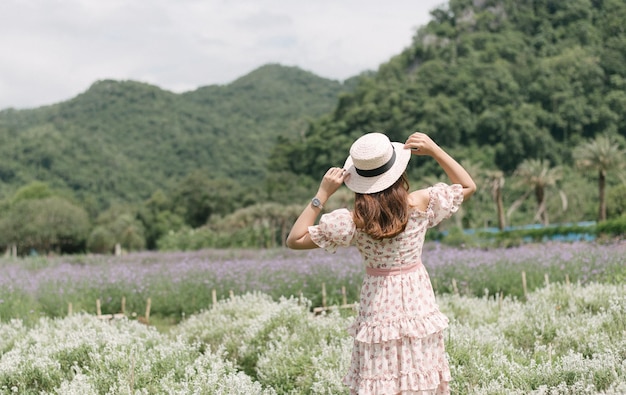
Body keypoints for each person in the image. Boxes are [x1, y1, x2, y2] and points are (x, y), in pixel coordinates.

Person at [286, 131, 476, 395]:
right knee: (419, 370)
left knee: (379, 375)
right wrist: (435, 150)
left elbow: (295, 240)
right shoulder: (420, 204)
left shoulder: (353, 221)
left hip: (377, 303)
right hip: (416, 297)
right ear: (398, 172)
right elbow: (468, 186)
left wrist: (322, 194)